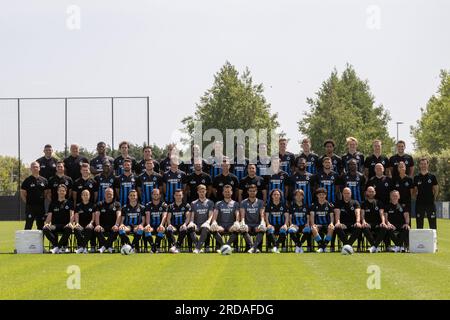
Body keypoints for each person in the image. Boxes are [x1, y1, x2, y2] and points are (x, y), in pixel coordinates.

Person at [42, 184, 74, 254]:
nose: (61, 192)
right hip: (55, 225)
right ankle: (57, 246)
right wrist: (46, 224)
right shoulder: (53, 203)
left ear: (66, 192)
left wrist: (70, 223)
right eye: (60, 191)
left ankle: (57, 247)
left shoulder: (70, 203)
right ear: (57, 192)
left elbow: (72, 215)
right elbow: (49, 216)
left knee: (69, 228)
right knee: (45, 229)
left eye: (63, 191)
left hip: (65, 225)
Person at [210, 185, 240, 251]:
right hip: (221, 225)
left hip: (230, 225)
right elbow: (215, 215)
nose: (227, 193)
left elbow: (237, 214)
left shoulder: (235, 203)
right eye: (225, 192)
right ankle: (222, 245)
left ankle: (228, 246)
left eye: (228, 191)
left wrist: (237, 222)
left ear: (231, 192)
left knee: (236, 228)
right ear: (223, 193)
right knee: (213, 229)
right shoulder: (218, 203)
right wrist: (214, 222)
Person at [20, 161, 49, 230]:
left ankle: (40, 241)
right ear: (31, 169)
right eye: (33, 167)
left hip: (41, 207)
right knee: (28, 225)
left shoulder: (44, 180)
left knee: (41, 226)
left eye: (36, 167)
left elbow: (46, 192)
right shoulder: (27, 180)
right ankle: (26, 241)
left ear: (39, 168)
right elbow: (23, 194)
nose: (35, 168)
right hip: (30, 207)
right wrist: (28, 202)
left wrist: (41, 200)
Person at [188, 185, 215, 254]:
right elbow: (192, 216)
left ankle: (197, 248)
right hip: (197, 225)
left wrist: (207, 222)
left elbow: (210, 216)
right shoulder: (193, 203)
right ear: (197, 192)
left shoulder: (210, 202)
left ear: (206, 191)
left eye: (203, 191)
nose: (202, 193)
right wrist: (191, 222)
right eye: (200, 192)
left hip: (206, 225)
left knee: (205, 228)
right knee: (190, 227)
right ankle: (198, 246)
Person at [239, 185, 266, 253]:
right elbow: (242, 216)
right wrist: (242, 223)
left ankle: (253, 247)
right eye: (250, 191)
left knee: (262, 228)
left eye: (254, 191)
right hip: (248, 224)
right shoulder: (243, 202)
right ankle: (253, 247)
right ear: (248, 192)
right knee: (243, 228)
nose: (252, 192)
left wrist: (262, 222)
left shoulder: (260, 202)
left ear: (256, 192)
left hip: (257, 224)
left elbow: (262, 215)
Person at [414, 157, 439, 229]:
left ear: (428, 165)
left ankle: (434, 240)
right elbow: (415, 190)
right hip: (419, 204)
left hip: (430, 203)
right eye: (421, 164)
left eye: (425, 164)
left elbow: (436, 189)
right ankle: (419, 240)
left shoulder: (432, 177)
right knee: (419, 224)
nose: (423, 165)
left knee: (433, 224)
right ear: (419, 165)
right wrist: (417, 197)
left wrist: (434, 198)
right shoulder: (416, 177)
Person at [360, 186, 387, 253]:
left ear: (375, 193)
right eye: (369, 191)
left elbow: (382, 214)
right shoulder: (363, 203)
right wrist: (363, 221)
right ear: (366, 192)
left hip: (377, 224)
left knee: (384, 228)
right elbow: (362, 215)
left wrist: (383, 222)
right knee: (364, 227)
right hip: (368, 224)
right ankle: (375, 246)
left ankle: (373, 247)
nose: (371, 193)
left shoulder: (379, 202)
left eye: (372, 192)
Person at [94, 188, 121, 253]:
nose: (109, 195)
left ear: (113, 194)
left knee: (116, 229)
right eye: (107, 193)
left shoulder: (117, 204)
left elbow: (119, 215)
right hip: (102, 226)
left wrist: (116, 225)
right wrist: (98, 225)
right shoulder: (100, 204)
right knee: (97, 229)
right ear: (104, 194)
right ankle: (109, 247)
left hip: (113, 226)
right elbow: (97, 215)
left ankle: (103, 247)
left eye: (110, 194)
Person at [310, 188, 335, 253]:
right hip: (318, 224)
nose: (321, 196)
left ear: (325, 195)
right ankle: (322, 246)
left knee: (331, 228)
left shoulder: (329, 205)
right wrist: (313, 224)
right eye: (320, 194)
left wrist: (332, 223)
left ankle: (323, 246)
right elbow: (312, 216)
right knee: (313, 228)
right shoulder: (313, 205)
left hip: (326, 224)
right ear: (317, 196)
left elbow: (332, 216)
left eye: (323, 194)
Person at [264, 189, 290, 253]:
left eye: (277, 194)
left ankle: (275, 246)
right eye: (274, 194)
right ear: (272, 196)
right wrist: (268, 224)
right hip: (272, 225)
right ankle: (276, 246)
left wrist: (285, 225)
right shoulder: (268, 206)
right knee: (270, 230)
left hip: (281, 225)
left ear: (280, 196)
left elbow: (287, 217)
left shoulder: (284, 206)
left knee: (283, 230)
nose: (276, 196)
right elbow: (266, 217)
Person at [144, 189, 168, 253]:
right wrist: (148, 224)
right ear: (152, 195)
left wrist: (161, 225)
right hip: (151, 226)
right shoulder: (148, 205)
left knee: (161, 229)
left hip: (159, 225)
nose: (155, 196)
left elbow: (164, 216)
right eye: (154, 194)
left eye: (157, 194)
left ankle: (157, 247)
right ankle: (153, 246)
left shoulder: (164, 205)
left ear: (160, 195)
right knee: (146, 229)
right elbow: (148, 216)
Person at [288, 189, 312, 253]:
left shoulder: (306, 206)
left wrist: (307, 224)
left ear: (303, 197)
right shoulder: (292, 206)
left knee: (308, 230)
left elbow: (308, 217)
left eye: (300, 195)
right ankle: (299, 246)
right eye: (297, 195)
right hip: (295, 225)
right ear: (294, 197)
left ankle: (298, 245)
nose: (298, 196)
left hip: (303, 225)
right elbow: (290, 217)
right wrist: (291, 224)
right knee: (291, 230)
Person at [73, 189, 96, 254]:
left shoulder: (93, 205)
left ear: (89, 196)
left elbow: (93, 218)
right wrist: (77, 223)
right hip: (81, 225)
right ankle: (84, 247)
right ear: (81, 196)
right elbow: (76, 215)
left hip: (89, 224)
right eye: (84, 195)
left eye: (87, 195)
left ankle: (82, 247)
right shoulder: (78, 206)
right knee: (76, 228)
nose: (85, 196)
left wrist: (90, 223)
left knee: (89, 228)